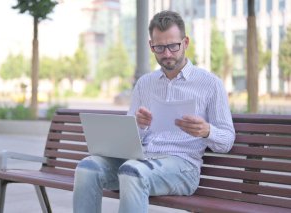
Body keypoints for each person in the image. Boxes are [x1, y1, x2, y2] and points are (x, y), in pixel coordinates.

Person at [73, 10, 235, 213]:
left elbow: (227, 139)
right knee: (88, 168)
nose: (167, 54)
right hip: (142, 160)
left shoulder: (210, 84)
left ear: (185, 42)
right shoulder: (145, 84)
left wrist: (206, 130)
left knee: (133, 172)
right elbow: (129, 139)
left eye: (173, 46)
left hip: (182, 167)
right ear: (151, 46)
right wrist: (138, 125)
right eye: (160, 47)